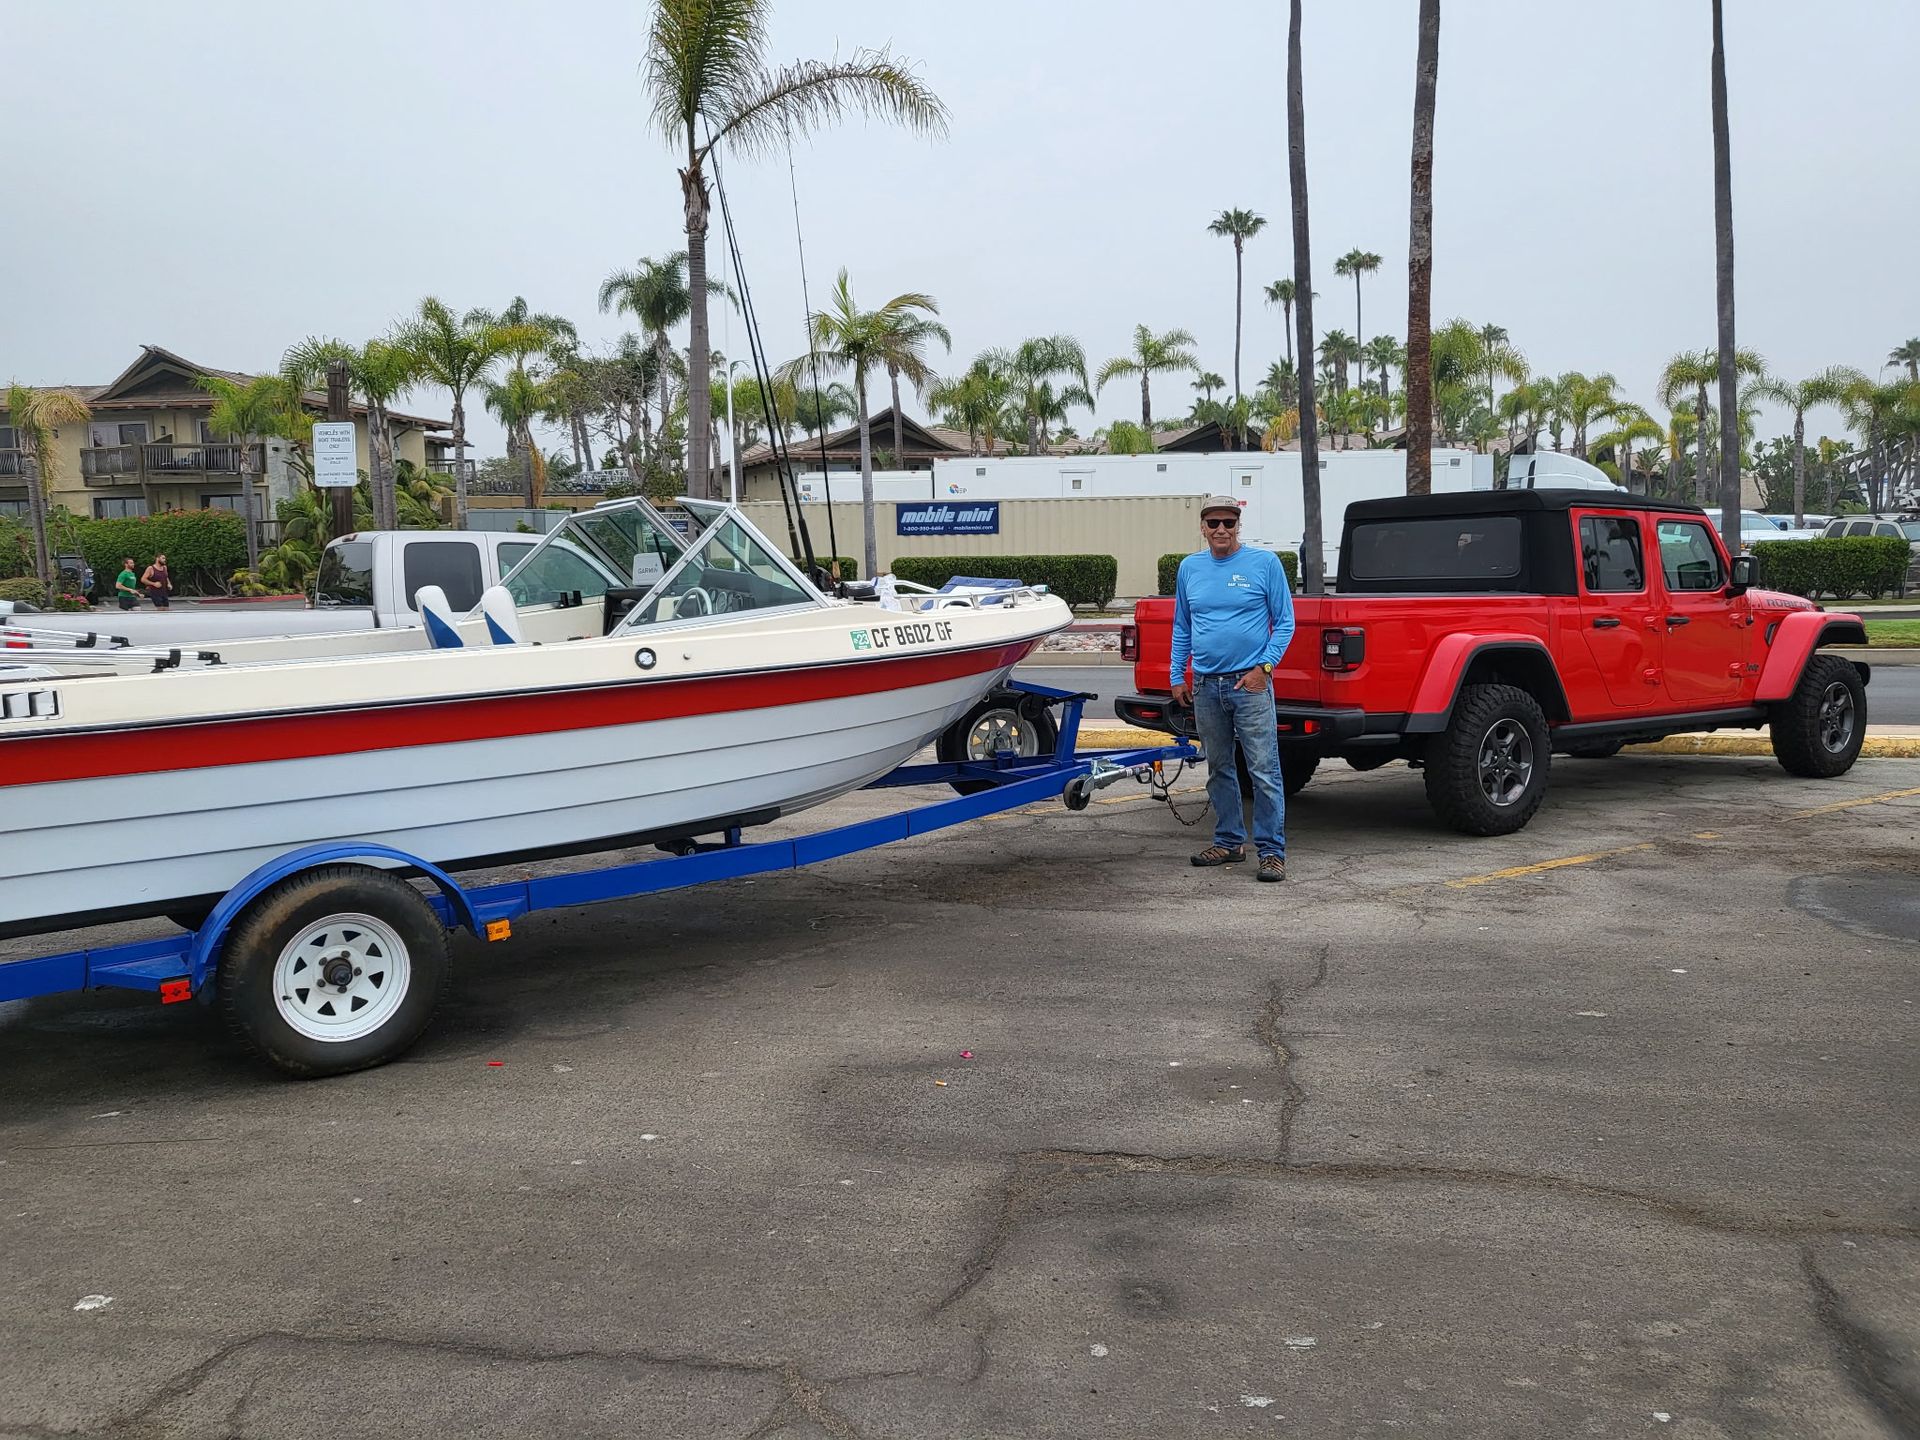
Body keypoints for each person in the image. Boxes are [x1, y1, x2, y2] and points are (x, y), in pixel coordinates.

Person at [1168, 497, 1297, 882]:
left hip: (1250, 685)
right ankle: (1229, 842)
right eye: (1213, 523)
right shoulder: (1190, 568)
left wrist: (1265, 668)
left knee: (1263, 770)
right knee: (1218, 768)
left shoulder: (1264, 564)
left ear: (1238, 525)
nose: (1220, 529)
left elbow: (1285, 622)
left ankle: (1272, 852)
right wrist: (1178, 675)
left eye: (1228, 522)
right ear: (1203, 527)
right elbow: (1182, 626)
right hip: (1206, 686)